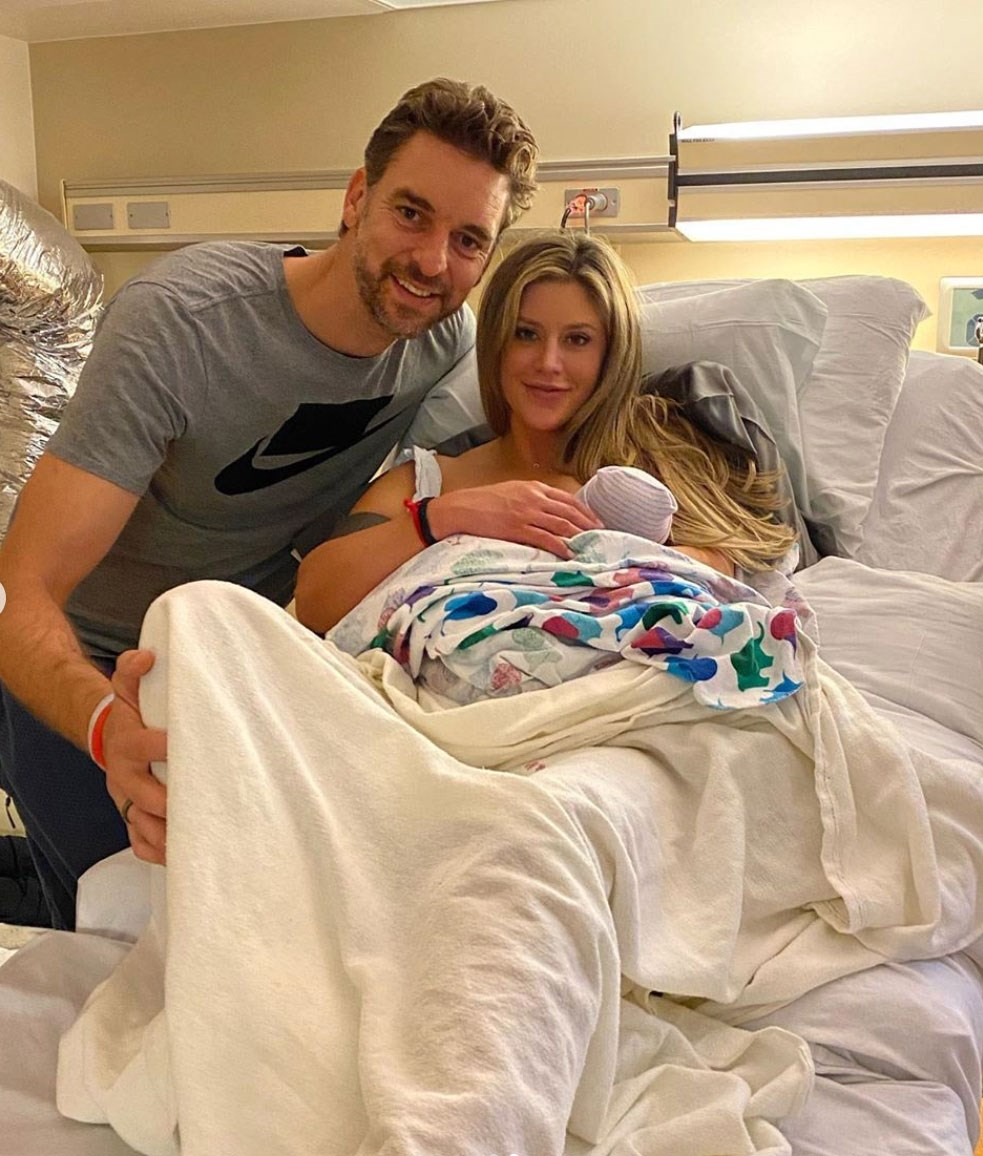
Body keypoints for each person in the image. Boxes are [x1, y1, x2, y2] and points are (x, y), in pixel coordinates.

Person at [0, 77, 539, 929]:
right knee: (116, 927)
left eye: (468, 239)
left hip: (230, 661)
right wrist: (105, 728)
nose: (434, 262)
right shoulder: (184, 325)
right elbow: (22, 591)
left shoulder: (443, 342)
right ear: (356, 199)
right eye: (411, 214)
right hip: (90, 665)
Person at [295, 230, 797, 637]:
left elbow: (740, 570)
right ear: (497, 344)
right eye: (526, 334)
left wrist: (620, 563)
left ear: (610, 354)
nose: (548, 363)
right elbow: (316, 601)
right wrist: (444, 517)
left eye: (577, 339)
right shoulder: (429, 481)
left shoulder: (663, 457)